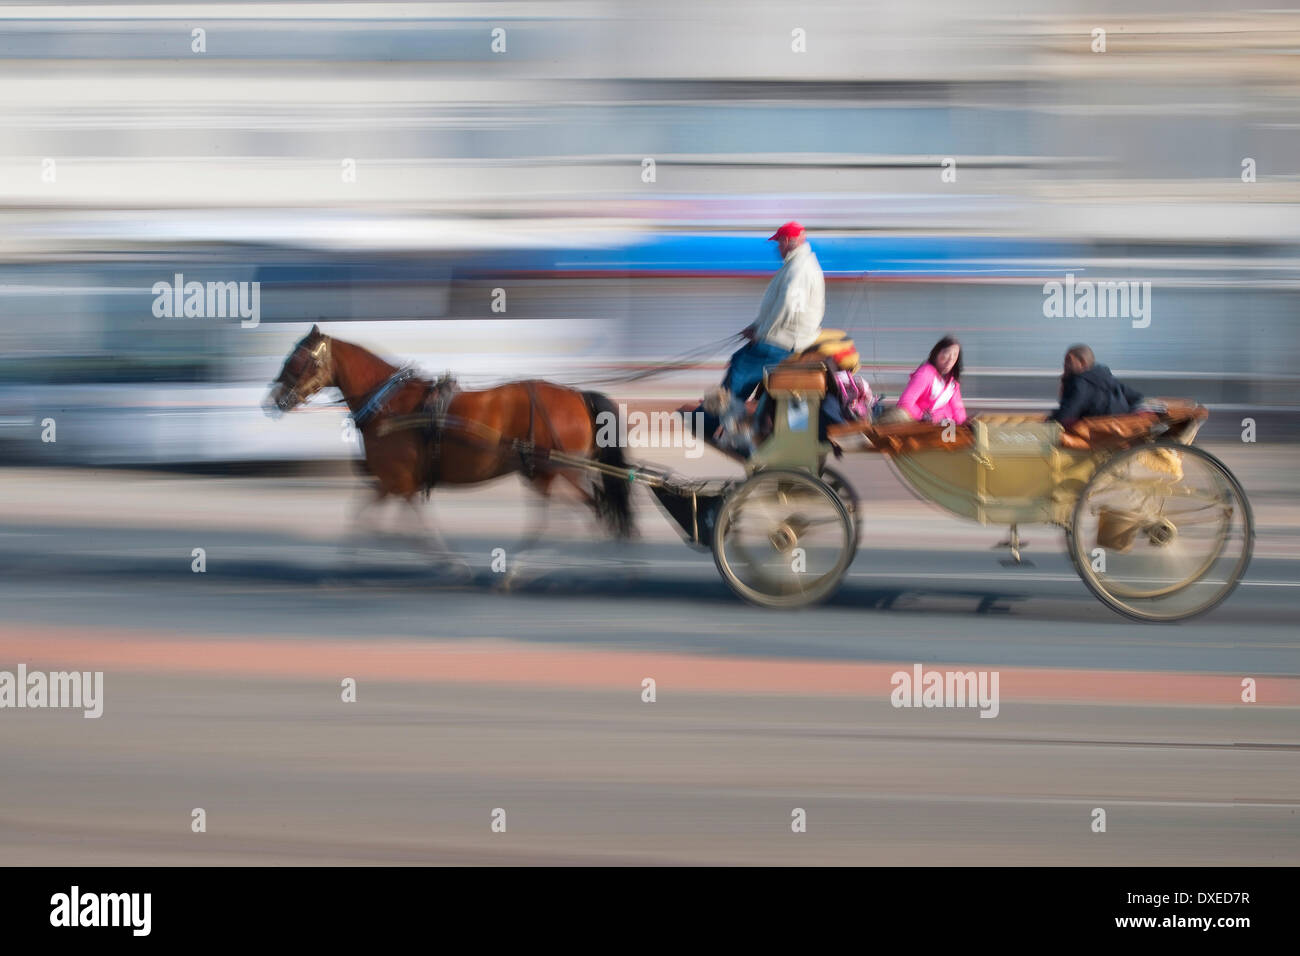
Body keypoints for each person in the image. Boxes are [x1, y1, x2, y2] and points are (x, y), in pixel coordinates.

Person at [721, 221, 826, 401]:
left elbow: (788, 310)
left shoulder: (799, 269)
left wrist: (761, 333)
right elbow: (776, 308)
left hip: (786, 340)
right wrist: (755, 327)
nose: (777, 248)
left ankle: (709, 420)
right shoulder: (797, 265)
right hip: (783, 336)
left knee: (740, 368)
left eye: (778, 243)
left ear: (786, 240)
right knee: (739, 358)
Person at [879, 336, 967, 425]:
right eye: (947, 353)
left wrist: (963, 424)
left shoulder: (952, 382)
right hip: (920, 424)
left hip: (945, 427)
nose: (951, 359)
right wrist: (923, 417)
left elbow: (958, 409)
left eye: (955, 354)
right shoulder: (925, 373)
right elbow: (906, 402)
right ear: (937, 353)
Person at [1048, 344, 1142, 425]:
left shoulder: (1080, 382)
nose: (1064, 364)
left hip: (1101, 431)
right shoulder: (1106, 377)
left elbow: (1067, 413)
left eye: (1069, 360)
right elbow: (1135, 397)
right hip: (1120, 424)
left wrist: (1049, 421)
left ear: (1082, 363)